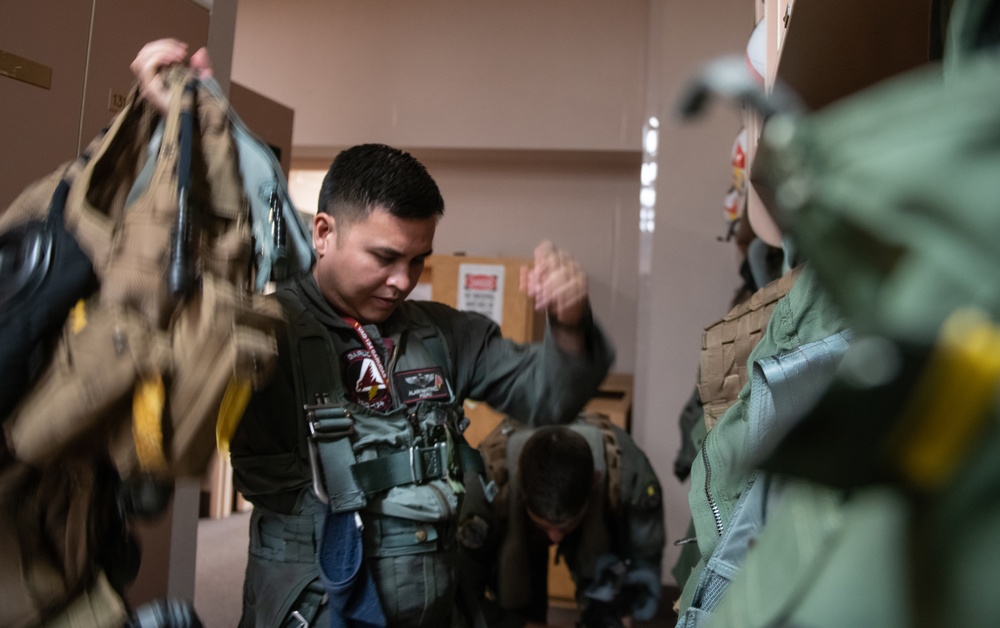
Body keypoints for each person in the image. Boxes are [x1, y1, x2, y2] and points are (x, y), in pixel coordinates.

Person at [132, 40, 615, 628]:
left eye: (418, 261)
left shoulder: (445, 334)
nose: (402, 281)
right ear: (325, 231)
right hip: (314, 601)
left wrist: (568, 322)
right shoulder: (266, 331)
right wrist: (176, 123)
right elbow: (159, 342)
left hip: (434, 600)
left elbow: (549, 395)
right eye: (384, 257)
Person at [464, 414, 664, 627]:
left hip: (596, 520)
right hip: (512, 522)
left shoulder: (628, 475)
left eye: (565, 526)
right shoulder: (482, 486)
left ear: (595, 480)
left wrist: (611, 605)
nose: (555, 537)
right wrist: (516, 624)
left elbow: (643, 561)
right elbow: (462, 596)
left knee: (603, 600)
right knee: (515, 595)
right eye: (544, 526)